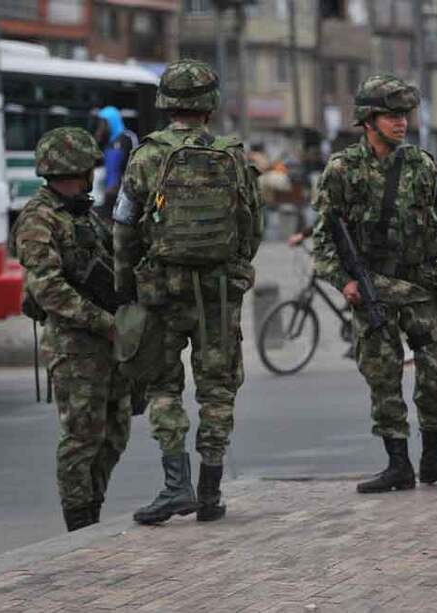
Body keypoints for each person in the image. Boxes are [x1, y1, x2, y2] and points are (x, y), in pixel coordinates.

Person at [312, 74, 437, 494]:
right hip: (373, 289)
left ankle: (434, 459)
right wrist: (343, 282)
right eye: (392, 115)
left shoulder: (422, 164)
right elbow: (323, 236)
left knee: (434, 374)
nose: (401, 123)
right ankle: (397, 464)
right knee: (383, 376)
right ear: (368, 121)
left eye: (404, 115)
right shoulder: (342, 170)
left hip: (422, 287)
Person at [113, 59, 263, 524]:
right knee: (217, 390)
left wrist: (126, 286)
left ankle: (176, 487)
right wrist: (233, 268)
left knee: (162, 387)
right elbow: (252, 226)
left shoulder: (145, 156)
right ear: (210, 105)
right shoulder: (233, 154)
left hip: (160, 292)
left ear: (166, 103)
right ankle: (211, 492)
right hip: (218, 294)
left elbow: (122, 230)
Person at [10, 127, 131, 532]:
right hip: (74, 346)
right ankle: (79, 527)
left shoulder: (83, 213)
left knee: (115, 431)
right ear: (78, 169)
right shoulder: (37, 219)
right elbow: (48, 289)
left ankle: (92, 507)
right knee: (82, 439)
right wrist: (105, 323)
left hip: (106, 340)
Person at [94, 106, 138, 223]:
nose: (100, 126)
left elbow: (125, 169)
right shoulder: (108, 142)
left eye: (102, 123)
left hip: (121, 198)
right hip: (108, 197)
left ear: (110, 122)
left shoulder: (125, 139)